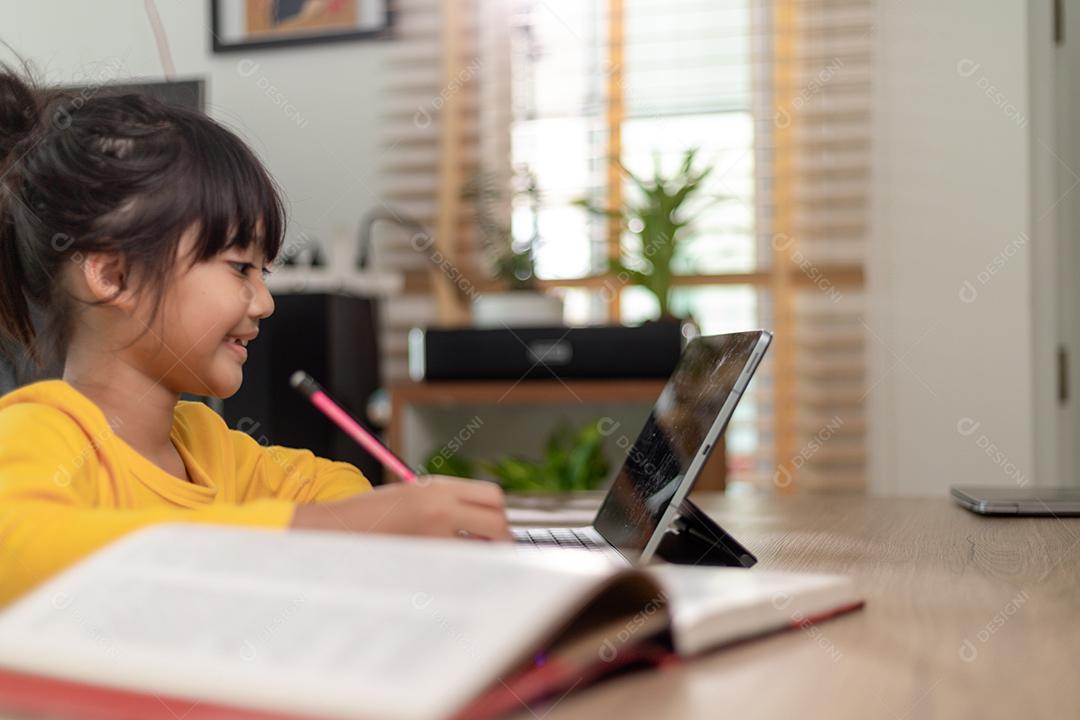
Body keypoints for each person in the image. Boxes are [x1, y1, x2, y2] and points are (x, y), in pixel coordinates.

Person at [0, 67, 510, 607]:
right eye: (240, 268)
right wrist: (321, 532)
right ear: (113, 276)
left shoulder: (206, 442)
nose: (265, 302)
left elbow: (332, 486)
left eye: (264, 273)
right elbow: (23, 554)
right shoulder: (36, 432)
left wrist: (362, 520)